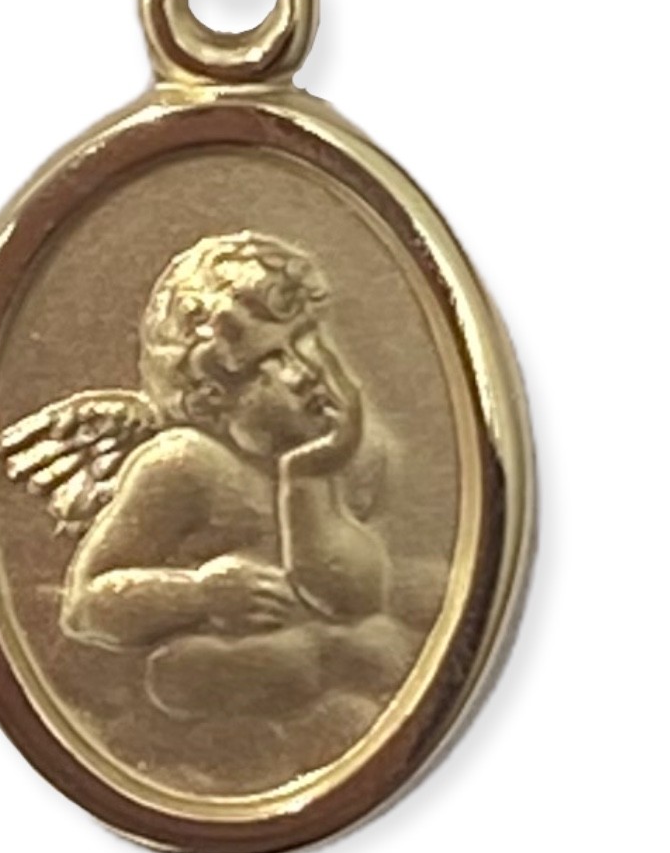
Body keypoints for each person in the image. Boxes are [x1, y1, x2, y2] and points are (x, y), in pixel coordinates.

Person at [56, 233, 412, 721]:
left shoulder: (342, 457)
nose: (306, 372)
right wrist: (200, 594)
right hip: (212, 694)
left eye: (307, 342)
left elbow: (353, 596)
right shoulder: (186, 466)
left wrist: (309, 475)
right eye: (272, 363)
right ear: (213, 398)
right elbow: (86, 604)